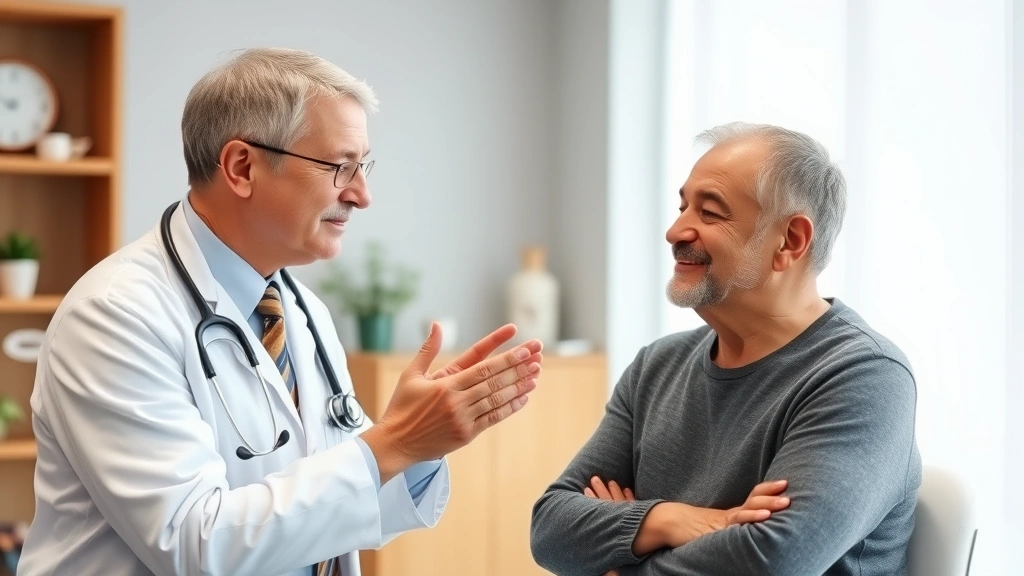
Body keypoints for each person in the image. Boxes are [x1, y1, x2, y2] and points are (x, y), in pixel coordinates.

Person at [18, 47, 543, 576]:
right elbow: (194, 544)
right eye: (340, 167)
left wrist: (419, 444)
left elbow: (341, 512)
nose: (362, 194)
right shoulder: (115, 316)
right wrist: (394, 441)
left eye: (363, 166)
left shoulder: (300, 310)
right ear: (242, 167)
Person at [530, 122, 921, 576]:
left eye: (710, 213)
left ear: (790, 241)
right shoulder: (656, 367)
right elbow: (551, 529)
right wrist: (671, 520)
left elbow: (772, 560)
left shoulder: (864, 376)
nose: (676, 231)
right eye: (682, 207)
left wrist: (619, 555)